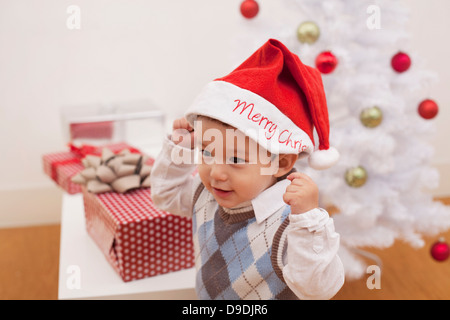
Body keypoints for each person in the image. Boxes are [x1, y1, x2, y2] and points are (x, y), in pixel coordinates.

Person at [150, 39, 344, 300]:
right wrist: (179, 149)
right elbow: (166, 195)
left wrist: (308, 220)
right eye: (207, 151)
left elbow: (317, 289)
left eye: (236, 160)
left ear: (282, 163)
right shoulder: (206, 193)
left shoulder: (290, 223)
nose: (216, 172)